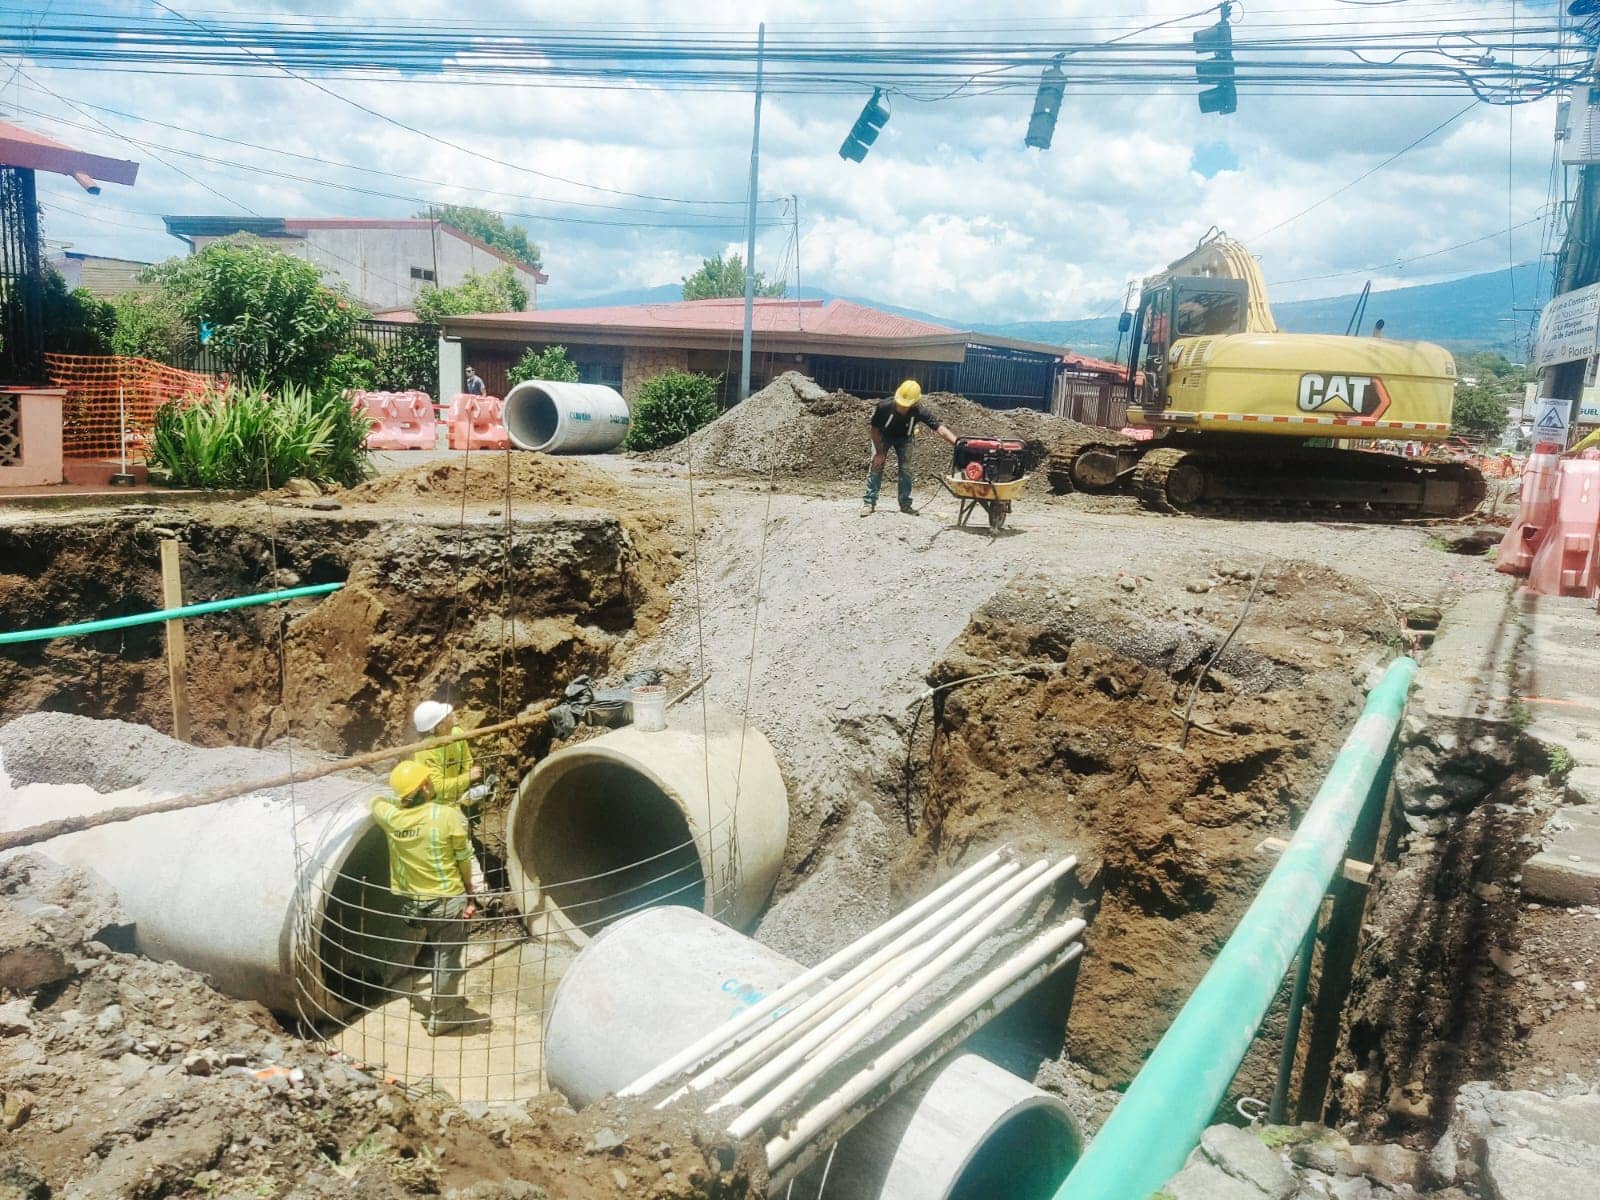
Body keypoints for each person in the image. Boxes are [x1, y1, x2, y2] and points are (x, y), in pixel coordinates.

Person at [371, 761, 480, 1036]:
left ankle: (442, 1000)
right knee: (447, 958)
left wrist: (395, 796)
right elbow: (463, 858)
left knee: (437, 950)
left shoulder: (392, 818)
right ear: (425, 786)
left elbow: (376, 801)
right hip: (447, 900)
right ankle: (442, 1016)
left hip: (416, 904)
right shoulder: (445, 816)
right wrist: (471, 892)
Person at [862, 380, 957, 517]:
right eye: (901, 404)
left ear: (914, 403)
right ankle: (869, 502)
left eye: (906, 405)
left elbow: (939, 428)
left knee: (906, 469)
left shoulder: (919, 411)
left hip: (904, 439)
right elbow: (874, 430)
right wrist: (879, 453)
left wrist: (957, 443)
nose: (902, 407)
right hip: (883, 436)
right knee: (876, 465)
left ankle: (905, 504)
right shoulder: (884, 407)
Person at [411, 700, 484, 806]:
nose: (453, 714)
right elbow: (438, 787)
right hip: (437, 803)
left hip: (457, 795)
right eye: (448, 715)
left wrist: (463, 788)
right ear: (440, 726)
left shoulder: (457, 733)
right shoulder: (426, 750)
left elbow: (467, 762)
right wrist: (467, 777)